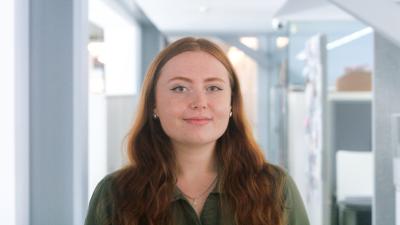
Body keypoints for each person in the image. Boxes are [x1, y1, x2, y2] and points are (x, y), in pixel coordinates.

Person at [85, 37, 310, 225]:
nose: (199, 102)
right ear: (154, 103)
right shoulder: (115, 194)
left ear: (232, 103)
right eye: (180, 88)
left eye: (213, 88)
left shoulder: (275, 188)